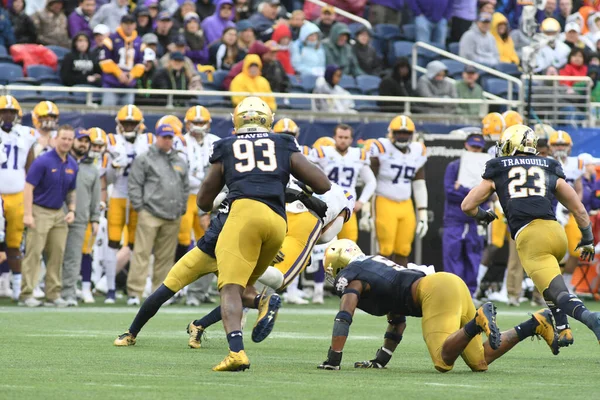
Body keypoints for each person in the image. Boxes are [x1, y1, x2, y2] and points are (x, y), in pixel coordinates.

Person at [194, 96, 331, 371]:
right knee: (245, 284)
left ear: (237, 120)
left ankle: (236, 352)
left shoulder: (226, 146)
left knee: (230, 287)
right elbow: (322, 184)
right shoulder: (283, 142)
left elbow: (202, 201)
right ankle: (263, 301)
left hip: (244, 215)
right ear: (268, 120)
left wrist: (228, 189)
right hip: (278, 222)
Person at [316, 239, 559, 371]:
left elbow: (344, 315)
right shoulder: (375, 266)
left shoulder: (354, 275)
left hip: (435, 292)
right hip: (451, 284)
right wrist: (381, 359)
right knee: (479, 361)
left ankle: (478, 321)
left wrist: (333, 358)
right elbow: (397, 321)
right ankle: (535, 324)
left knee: (443, 361)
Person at [462, 124, 600, 351]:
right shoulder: (549, 165)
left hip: (530, 236)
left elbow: (467, 205)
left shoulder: (498, 167)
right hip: (555, 232)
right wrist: (587, 239)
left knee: (558, 292)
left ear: (510, 144)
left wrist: (484, 215)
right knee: (547, 284)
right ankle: (563, 329)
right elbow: (579, 210)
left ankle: (591, 319)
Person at [126, 124, 188, 305]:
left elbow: (185, 187)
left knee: (165, 256)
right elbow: (134, 184)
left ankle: (158, 294)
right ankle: (134, 292)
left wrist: (181, 206)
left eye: (170, 137)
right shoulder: (145, 158)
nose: (167, 140)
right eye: (164, 137)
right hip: (150, 213)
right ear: (157, 137)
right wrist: (140, 207)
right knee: (141, 253)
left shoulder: (179, 159)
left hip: (173, 214)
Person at [20, 125, 78, 307]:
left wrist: (72, 210)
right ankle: (26, 293)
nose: (67, 142)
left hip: (59, 213)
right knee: (34, 253)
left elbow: (72, 190)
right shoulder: (43, 161)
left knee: (57, 255)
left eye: (70, 139)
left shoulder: (72, 164)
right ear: (56, 139)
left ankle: (53, 294)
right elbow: (28, 187)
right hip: (40, 210)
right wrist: (28, 214)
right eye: (64, 138)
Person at [104, 105, 154, 304]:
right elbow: (105, 177)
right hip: (118, 194)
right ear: (119, 124)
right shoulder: (111, 141)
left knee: (135, 244)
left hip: (138, 198)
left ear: (140, 124)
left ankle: (133, 290)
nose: (129, 126)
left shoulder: (148, 141)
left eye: (132, 123)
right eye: (126, 123)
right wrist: (113, 166)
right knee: (113, 241)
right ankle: (109, 289)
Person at [172, 107, 220, 306]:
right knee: (182, 241)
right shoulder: (179, 141)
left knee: (207, 244)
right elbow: (179, 170)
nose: (199, 126)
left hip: (208, 198)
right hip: (187, 195)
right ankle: (177, 288)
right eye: (195, 122)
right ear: (187, 123)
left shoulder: (216, 141)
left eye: (202, 122)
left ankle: (201, 288)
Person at [369, 115, 429, 266]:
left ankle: (399, 286)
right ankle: (380, 286)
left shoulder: (417, 150)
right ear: (391, 133)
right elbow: (370, 181)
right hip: (384, 200)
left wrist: (423, 214)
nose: (402, 136)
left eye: (406, 133)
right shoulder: (381, 147)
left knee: (403, 249)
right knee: (385, 249)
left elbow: (419, 184)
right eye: (399, 133)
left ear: (412, 134)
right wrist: (366, 210)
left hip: (406, 203)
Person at [308, 124, 376, 243]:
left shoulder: (358, 155)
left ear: (351, 139)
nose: (343, 140)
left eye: (346, 137)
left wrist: (362, 201)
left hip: (347, 206)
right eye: (340, 137)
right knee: (324, 243)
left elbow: (371, 182)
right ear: (334, 137)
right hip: (326, 205)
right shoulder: (323, 152)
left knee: (349, 244)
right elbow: (310, 176)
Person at [0, 96, 36, 302]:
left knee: (14, 243)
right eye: (3, 111)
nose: (7, 115)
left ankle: (16, 289)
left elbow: (29, 167)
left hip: (17, 195)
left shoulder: (26, 135)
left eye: (11, 112)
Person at [443, 133, 488, 294]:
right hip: (455, 218)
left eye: (478, 147)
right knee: (452, 255)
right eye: (472, 146)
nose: (475, 150)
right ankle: (453, 292)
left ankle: (470, 292)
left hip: (475, 219)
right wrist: (474, 193)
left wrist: (461, 189)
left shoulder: (486, 167)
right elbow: (449, 191)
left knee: (473, 257)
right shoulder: (454, 166)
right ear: (466, 145)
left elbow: (488, 194)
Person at [61, 129, 100, 306]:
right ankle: (52, 291)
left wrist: (95, 219)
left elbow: (96, 196)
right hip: (57, 215)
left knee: (74, 258)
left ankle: (68, 292)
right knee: (53, 256)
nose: (83, 144)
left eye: (86, 141)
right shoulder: (60, 161)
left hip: (80, 218)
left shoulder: (92, 168)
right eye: (80, 140)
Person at [548, 131, 586, 296]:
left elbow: (579, 189)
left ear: (569, 146)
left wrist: (573, 206)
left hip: (568, 212)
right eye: (557, 144)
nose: (560, 147)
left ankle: (568, 286)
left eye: (563, 144)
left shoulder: (576, 163)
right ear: (550, 146)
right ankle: (549, 288)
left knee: (576, 250)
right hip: (550, 212)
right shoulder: (545, 162)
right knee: (550, 251)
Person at [98, 14, 144, 106]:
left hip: (129, 85)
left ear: (135, 25)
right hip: (111, 84)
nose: (129, 26)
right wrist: (119, 73)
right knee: (108, 111)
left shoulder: (139, 42)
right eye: (126, 23)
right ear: (121, 24)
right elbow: (104, 61)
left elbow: (141, 63)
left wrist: (131, 75)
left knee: (127, 114)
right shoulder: (111, 39)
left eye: (131, 23)